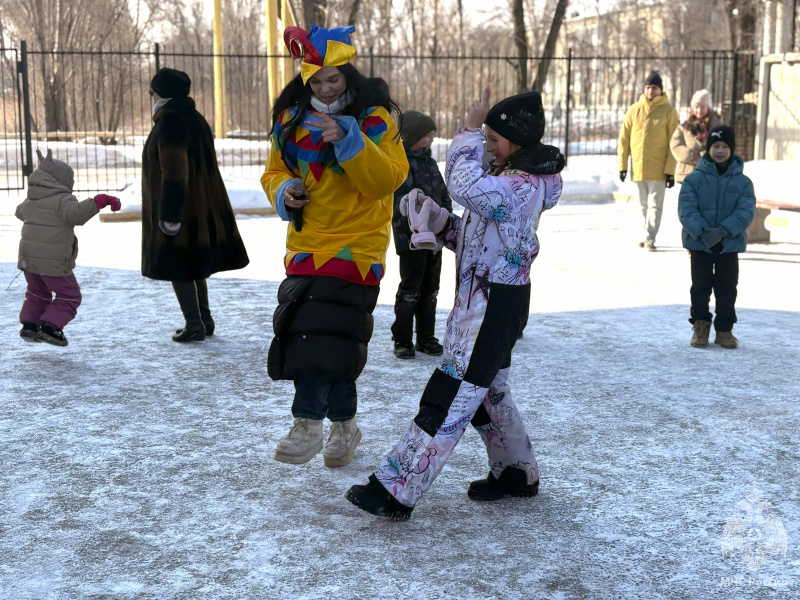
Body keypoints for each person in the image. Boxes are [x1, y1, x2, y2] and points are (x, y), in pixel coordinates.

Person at [346, 88, 564, 519]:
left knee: (451, 394)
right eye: (483, 137)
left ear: (517, 143)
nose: (485, 145)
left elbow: (463, 184)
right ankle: (517, 473)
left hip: (490, 308)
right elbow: (478, 238)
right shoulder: (508, 181)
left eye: (492, 139)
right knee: (488, 393)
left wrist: (465, 130)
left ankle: (395, 488)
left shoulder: (522, 187)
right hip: (489, 302)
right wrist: (436, 219)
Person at [260, 25, 409, 468]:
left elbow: (387, 180)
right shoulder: (289, 120)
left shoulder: (377, 120)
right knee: (326, 336)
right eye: (316, 80)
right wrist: (285, 189)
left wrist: (349, 141)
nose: (325, 88)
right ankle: (345, 426)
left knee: (323, 335)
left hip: (357, 248)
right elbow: (272, 171)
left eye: (334, 79)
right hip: (306, 246)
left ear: (348, 76)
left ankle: (306, 423)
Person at [141, 68, 249, 343]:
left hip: (181, 207)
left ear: (159, 94)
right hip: (199, 206)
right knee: (192, 263)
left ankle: (194, 324)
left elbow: (175, 171)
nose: (151, 97)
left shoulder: (171, 121)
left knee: (179, 264)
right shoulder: (193, 117)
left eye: (152, 92)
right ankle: (204, 319)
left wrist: (170, 214)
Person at [16, 149, 121, 346]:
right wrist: (99, 201)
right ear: (61, 183)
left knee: (37, 292)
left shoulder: (31, 199)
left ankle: (29, 326)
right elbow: (77, 215)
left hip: (28, 260)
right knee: (69, 295)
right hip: (53, 261)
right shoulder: (62, 201)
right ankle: (50, 327)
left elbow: (19, 212)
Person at [678, 126, 755, 350]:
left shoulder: (743, 183)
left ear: (731, 149)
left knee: (727, 287)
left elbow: (745, 212)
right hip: (699, 244)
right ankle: (700, 326)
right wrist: (704, 233)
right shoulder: (693, 180)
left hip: (728, 245)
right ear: (708, 149)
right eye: (715, 146)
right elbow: (687, 210)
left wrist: (721, 232)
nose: (720, 151)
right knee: (700, 286)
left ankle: (724, 330)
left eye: (724, 146)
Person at [391, 110, 452, 359]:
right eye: (425, 136)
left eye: (432, 136)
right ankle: (402, 339)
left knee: (431, 290)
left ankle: (426, 337)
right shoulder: (400, 164)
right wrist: (417, 228)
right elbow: (403, 204)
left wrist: (446, 218)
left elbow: (442, 194)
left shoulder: (430, 163)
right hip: (411, 240)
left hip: (434, 240)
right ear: (410, 136)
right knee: (411, 289)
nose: (430, 141)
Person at [618, 71, 679, 251]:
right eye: (648, 87)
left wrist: (670, 171)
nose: (651, 91)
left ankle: (650, 237)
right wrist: (622, 166)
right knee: (642, 205)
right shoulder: (634, 110)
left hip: (659, 169)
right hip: (638, 167)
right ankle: (646, 233)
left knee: (655, 205)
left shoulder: (669, 112)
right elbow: (624, 139)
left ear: (661, 90)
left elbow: (673, 143)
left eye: (654, 88)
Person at [670, 89, 721, 184]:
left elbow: (722, 145)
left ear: (708, 107)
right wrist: (691, 155)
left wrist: (706, 156)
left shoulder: (716, 126)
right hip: (687, 173)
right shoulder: (684, 126)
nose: (699, 110)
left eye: (703, 107)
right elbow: (675, 144)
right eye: (696, 107)